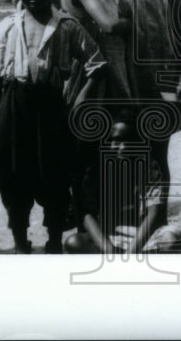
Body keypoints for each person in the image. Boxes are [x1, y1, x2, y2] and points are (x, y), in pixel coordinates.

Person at [0, 0, 106, 253]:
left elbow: (98, 65)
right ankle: (19, 241)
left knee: (54, 176)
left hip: (52, 109)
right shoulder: (8, 27)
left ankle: (53, 240)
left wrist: (78, 101)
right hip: (13, 108)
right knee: (14, 177)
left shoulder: (67, 26)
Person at [113, 0, 181, 195]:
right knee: (130, 145)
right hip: (127, 80)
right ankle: (134, 213)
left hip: (159, 77)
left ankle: (159, 213)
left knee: (158, 147)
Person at [65, 108, 167, 254]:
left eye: (130, 141)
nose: (123, 147)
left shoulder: (148, 166)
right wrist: (109, 250)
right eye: (117, 141)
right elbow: (88, 215)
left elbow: (154, 212)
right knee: (73, 242)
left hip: (141, 237)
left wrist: (131, 252)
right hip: (110, 237)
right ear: (107, 142)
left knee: (171, 238)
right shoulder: (97, 169)